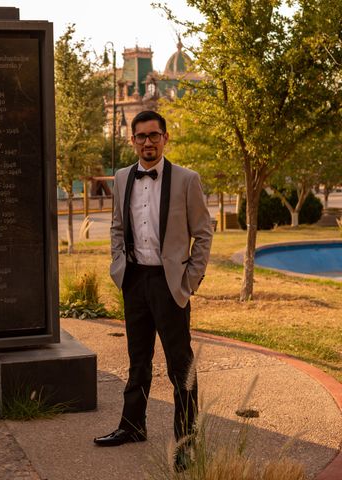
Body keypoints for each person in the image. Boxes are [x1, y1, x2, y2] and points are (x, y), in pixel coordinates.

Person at [93, 110, 213, 469]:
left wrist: (189, 281)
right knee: (138, 361)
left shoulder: (187, 180)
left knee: (181, 367)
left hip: (169, 283)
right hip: (135, 280)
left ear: (165, 138)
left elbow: (204, 233)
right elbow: (117, 227)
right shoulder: (122, 177)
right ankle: (132, 426)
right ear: (132, 140)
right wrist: (120, 268)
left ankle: (186, 443)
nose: (148, 142)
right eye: (141, 136)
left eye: (154, 135)